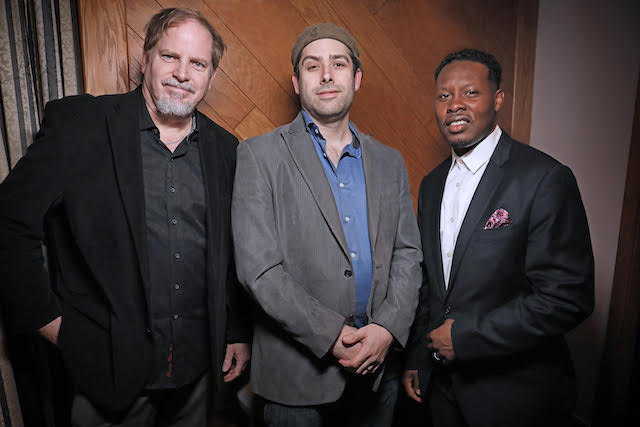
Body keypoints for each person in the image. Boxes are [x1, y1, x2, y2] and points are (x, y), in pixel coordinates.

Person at [0, 8, 250, 426]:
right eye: (170, 57)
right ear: (145, 59)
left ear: (210, 75)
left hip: (196, 374)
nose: (182, 73)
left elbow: (229, 248)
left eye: (198, 63)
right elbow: (8, 223)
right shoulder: (80, 125)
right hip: (105, 374)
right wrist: (50, 323)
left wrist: (236, 331)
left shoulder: (227, 149)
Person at [232, 23, 422, 427]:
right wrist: (331, 335)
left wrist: (387, 328)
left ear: (356, 78)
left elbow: (408, 253)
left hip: (377, 371)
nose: (326, 75)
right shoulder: (258, 156)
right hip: (295, 379)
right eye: (312, 65)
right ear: (297, 82)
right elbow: (258, 270)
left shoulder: (390, 161)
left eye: (338, 64)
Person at [402, 49, 594, 427]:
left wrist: (468, 338)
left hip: (515, 398)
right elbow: (430, 286)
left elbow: (568, 296)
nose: (455, 105)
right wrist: (418, 357)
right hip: (442, 393)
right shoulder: (431, 184)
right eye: (444, 96)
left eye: (470, 93)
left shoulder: (543, 179)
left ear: (498, 99)